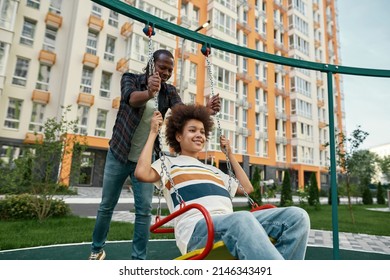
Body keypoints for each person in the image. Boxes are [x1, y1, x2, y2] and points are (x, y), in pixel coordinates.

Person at [89, 49, 221, 260]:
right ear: (152, 65)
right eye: (162, 68)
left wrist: (205, 110)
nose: (167, 72)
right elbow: (131, 99)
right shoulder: (131, 79)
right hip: (119, 154)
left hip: (145, 158)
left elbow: (183, 114)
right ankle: (97, 250)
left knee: (144, 211)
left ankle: (138, 260)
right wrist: (149, 93)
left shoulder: (169, 92)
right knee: (107, 205)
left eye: (170, 69)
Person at [135, 104, 310, 260]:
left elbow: (247, 188)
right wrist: (152, 133)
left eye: (202, 132)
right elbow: (141, 173)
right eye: (192, 130)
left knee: (297, 217)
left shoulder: (214, 170)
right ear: (179, 136)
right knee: (242, 218)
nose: (199, 135)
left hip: (232, 223)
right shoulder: (168, 163)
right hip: (198, 230)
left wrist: (230, 155)